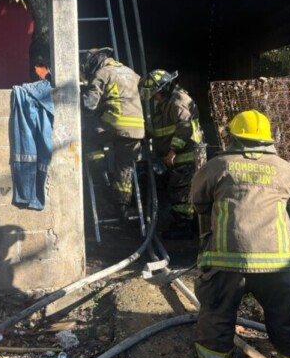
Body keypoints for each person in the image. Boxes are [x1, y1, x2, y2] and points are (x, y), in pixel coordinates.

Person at [190, 110, 290, 358]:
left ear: (233, 137)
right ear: (268, 138)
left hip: (226, 262)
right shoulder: (285, 169)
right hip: (278, 265)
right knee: (287, 320)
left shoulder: (217, 166)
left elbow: (199, 203)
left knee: (216, 314)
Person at [81, 47, 145, 222]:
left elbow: (90, 105)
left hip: (113, 125)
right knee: (124, 168)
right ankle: (122, 208)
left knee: (88, 139)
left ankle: (102, 178)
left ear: (95, 61)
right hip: (136, 130)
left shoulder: (102, 74)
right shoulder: (132, 73)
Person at [139, 69, 204, 240]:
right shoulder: (165, 103)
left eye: (156, 94)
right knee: (176, 190)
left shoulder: (177, 101)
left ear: (165, 89)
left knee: (181, 192)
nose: (155, 98)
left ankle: (184, 227)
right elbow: (162, 130)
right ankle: (184, 224)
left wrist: (172, 151)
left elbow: (184, 127)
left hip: (185, 155)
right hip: (174, 156)